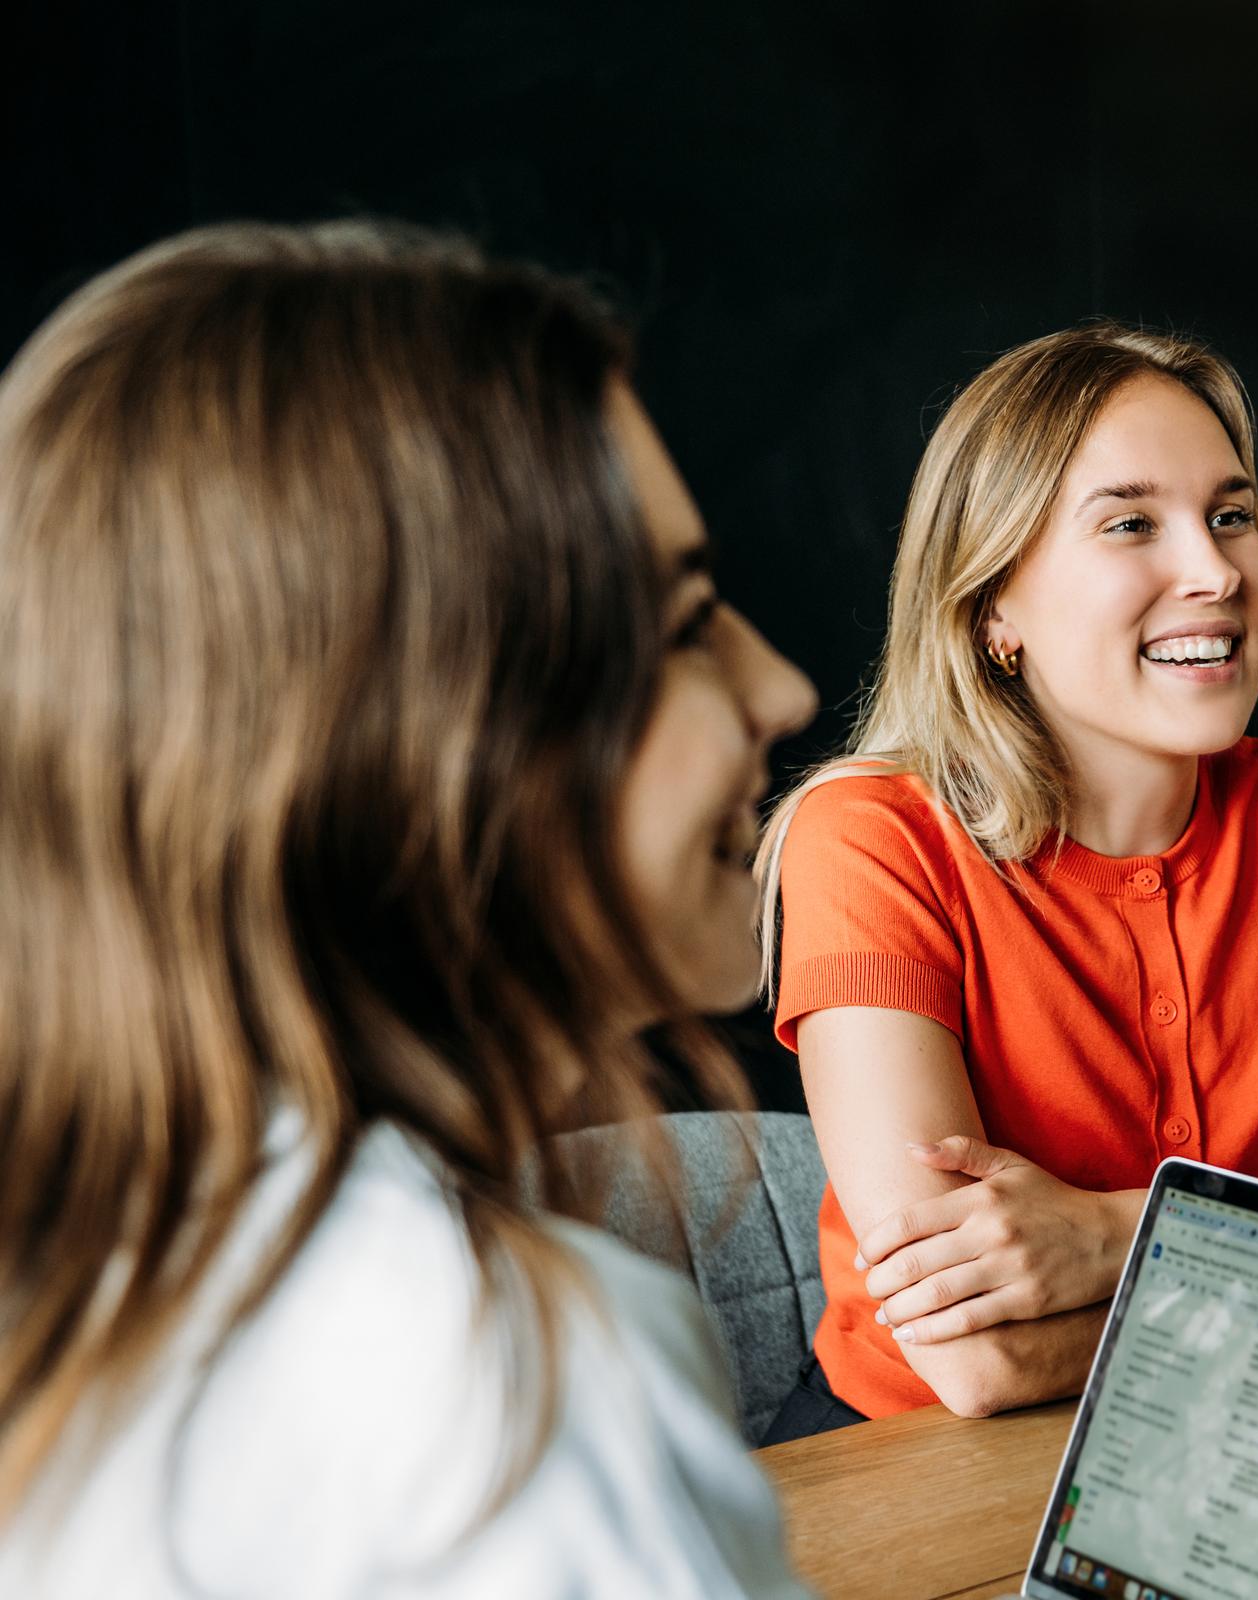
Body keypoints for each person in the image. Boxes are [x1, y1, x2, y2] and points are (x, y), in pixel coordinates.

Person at [0, 222, 821, 1595]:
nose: (784, 687)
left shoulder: (92, 1288)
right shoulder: (504, 1414)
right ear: (422, 743)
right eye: (684, 626)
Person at [760, 325, 1258, 1426]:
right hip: (920, 1469)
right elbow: (983, 1362)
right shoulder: (872, 837)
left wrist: (1110, 1233)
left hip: (1244, 1425)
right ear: (991, 606)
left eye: (1233, 515)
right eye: (1130, 524)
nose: (1214, 571)